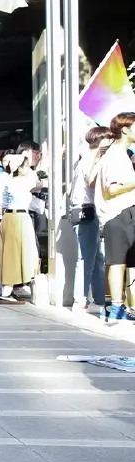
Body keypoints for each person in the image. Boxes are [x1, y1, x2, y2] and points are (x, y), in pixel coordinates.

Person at [0, 151, 41, 305]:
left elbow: (3, 203)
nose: (28, 167)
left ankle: (9, 290)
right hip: (19, 219)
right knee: (15, 256)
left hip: (7, 218)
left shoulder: (8, 182)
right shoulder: (24, 181)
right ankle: (7, 292)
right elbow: (41, 185)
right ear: (20, 167)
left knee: (8, 255)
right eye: (25, 165)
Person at [95, 112, 135, 322]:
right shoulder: (115, 155)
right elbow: (111, 189)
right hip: (118, 213)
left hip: (122, 213)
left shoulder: (120, 154)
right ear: (125, 129)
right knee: (118, 262)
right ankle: (116, 308)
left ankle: (114, 306)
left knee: (118, 262)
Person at [67, 126, 111, 312]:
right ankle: (80, 300)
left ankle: (100, 297)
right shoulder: (94, 159)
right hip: (87, 211)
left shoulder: (84, 159)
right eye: (109, 138)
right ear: (102, 140)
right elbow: (92, 183)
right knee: (86, 258)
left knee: (96, 257)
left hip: (83, 211)